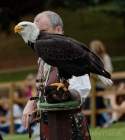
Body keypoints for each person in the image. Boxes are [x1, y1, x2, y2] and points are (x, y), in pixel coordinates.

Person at [22, 11, 92, 139]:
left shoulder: (71, 51)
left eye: (43, 30)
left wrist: (65, 93)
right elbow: (43, 87)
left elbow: (82, 90)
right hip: (47, 127)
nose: (38, 35)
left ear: (58, 29)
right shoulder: (43, 54)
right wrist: (33, 102)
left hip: (69, 128)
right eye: (36, 31)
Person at [88, 40, 113, 127]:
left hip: (102, 84)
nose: (92, 49)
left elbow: (108, 70)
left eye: (93, 47)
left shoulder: (105, 57)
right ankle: (102, 122)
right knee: (95, 103)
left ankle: (105, 121)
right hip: (93, 85)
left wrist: (99, 76)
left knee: (99, 103)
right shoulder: (92, 57)